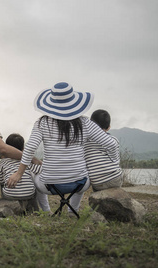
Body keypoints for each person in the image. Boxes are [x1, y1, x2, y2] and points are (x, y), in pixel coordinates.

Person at [7, 82, 119, 213]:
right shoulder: (85, 122)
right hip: (80, 184)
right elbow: (111, 144)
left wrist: (19, 173)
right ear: (73, 102)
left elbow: (30, 148)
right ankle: (73, 211)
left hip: (48, 186)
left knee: (33, 172)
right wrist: (114, 162)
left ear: (52, 103)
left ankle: (46, 211)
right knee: (82, 172)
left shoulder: (42, 122)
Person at [0, 133, 48, 208]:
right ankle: (34, 208)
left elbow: (1, 180)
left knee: (2, 184)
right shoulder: (26, 162)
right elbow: (41, 169)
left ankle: (6, 202)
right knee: (33, 179)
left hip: (9, 195)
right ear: (23, 148)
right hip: (29, 194)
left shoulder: (2, 163)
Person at [84, 109, 123, 191]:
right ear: (109, 127)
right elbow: (116, 161)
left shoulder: (85, 142)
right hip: (114, 180)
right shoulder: (113, 140)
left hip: (97, 182)